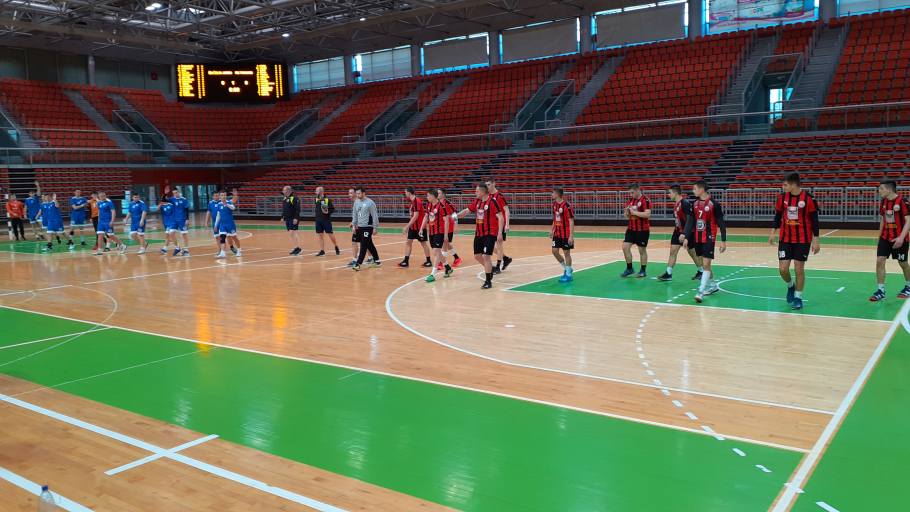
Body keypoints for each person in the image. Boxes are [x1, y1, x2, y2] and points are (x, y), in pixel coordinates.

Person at [769, 172, 821, 310]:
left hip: (802, 239)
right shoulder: (782, 198)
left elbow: (815, 221)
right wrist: (773, 232)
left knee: (799, 268)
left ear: (793, 185)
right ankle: (790, 285)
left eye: (785, 185)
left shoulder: (808, 198)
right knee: (783, 269)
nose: (783, 187)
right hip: (785, 238)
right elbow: (777, 216)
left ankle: (798, 297)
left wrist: (816, 240)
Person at [683, 180, 727, 303]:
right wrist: (686, 237)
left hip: (709, 237)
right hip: (697, 237)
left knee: (706, 264)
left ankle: (700, 292)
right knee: (704, 264)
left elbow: (721, 223)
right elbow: (690, 222)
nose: (693, 191)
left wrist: (723, 240)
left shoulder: (714, 204)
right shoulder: (695, 204)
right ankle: (713, 285)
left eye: (695, 189)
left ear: (701, 189)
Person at [455, 183, 504, 290]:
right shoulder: (477, 201)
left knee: (486, 256)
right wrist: (455, 216)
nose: (475, 193)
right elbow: (467, 211)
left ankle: (488, 280)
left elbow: (500, 217)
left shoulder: (492, 202)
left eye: (477, 191)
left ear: (483, 192)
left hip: (490, 234)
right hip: (478, 234)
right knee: (477, 256)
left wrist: (500, 233)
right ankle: (490, 269)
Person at [870, 180, 910, 301]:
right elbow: (883, 219)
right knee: (879, 261)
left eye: (881, 189)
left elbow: (908, 221)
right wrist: (879, 237)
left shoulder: (902, 201)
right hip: (885, 238)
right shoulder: (883, 202)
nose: (879, 191)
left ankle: (908, 286)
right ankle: (881, 291)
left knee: (903, 263)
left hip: (900, 238)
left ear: (889, 189)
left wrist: (901, 238)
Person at [658, 185, 703, 282]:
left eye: (670, 193)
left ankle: (701, 271)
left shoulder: (685, 203)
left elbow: (690, 220)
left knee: (692, 252)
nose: (668, 195)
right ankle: (668, 273)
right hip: (677, 231)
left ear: (675, 193)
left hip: (688, 232)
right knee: (673, 251)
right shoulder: (676, 204)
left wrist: (685, 233)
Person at [420, 188, 453, 282]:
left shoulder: (442, 206)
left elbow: (446, 221)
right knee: (436, 252)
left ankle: (433, 274)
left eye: (428, 195)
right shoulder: (429, 205)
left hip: (440, 232)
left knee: (436, 251)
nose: (427, 197)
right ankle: (447, 267)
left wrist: (446, 235)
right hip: (431, 232)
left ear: (433, 196)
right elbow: (426, 217)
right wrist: (421, 228)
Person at [621, 183, 651, 278]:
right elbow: (626, 216)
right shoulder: (630, 200)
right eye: (630, 193)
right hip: (631, 229)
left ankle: (643, 270)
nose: (631, 195)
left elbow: (647, 214)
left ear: (638, 190)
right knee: (625, 247)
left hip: (642, 230)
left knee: (642, 250)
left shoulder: (645, 200)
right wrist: (626, 213)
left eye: (632, 192)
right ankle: (629, 268)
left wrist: (634, 212)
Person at [400, 186, 432, 268]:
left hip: (419, 227)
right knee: (408, 242)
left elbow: (416, 216)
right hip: (413, 227)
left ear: (409, 193)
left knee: (423, 243)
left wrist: (407, 227)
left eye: (405, 192)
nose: (405, 194)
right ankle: (406, 261)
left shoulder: (416, 201)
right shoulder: (412, 201)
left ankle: (428, 261)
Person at [486, 179, 512, 274]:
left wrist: (507, 224)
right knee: (489, 245)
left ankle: (498, 266)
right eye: (486, 185)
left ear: (494, 184)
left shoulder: (499, 196)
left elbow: (507, 210)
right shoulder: (488, 196)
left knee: (499, 245)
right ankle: (505, 258)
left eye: (489, 184)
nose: (487, 186)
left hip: (500, 225)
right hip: (491, 225)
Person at [352, 186, 381, 271]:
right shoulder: (356, 202)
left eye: (359, 193)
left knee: (363, 245)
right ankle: (377, 261)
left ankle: (358, 264)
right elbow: (354, 214)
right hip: (359, 227)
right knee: (369, 244)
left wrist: (375, 227)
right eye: (356, 193)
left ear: (364, 193)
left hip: (368, 227)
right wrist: (354, 225)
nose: (357, 195)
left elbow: (375, 216)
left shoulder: (370, 203)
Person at [551, 187, 575, 283]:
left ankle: (568, 275)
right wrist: (552, 230)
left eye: (553, 193)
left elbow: (571, 220)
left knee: (566, 253)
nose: (551, 194)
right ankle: (567, 268)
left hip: (566, 234)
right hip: (557, 233)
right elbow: (555, 218)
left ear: (557, 194)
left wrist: (571, 236)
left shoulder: (567, 205)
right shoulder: (554, 204)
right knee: (554, 251)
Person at [94, 191, 126, 255]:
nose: (103, 197)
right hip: (101, 222)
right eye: (101, 196)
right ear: (99, 197)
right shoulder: (99, 203)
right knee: (100, 235)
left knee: (110, 235)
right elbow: (99, 211)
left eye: (104, 195)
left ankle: (122, 245)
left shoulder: (109, 202)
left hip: (108, 221)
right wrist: (98, 219)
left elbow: (113, 212)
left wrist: (112, 221)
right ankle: (99, 250)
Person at [437, 188, 462, 268]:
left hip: (448, 226)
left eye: (439, 193)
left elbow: (454, 214)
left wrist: (456, 225)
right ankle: (457, 258)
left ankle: (441, 263)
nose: (437, 194)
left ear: (443, 194)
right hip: (442, 226)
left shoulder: (447, 203)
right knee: (447, 244)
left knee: (444, 244)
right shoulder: (438, 203)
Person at [215, 190, 242, 258]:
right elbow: (218, 215)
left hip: (230, 224)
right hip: (222, 224)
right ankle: (223, 253)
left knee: (234, 237)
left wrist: (226, 204)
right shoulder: (219, 204)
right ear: (220, 196)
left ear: (226, 196)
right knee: (222, 238)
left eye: (224, 195)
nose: (223, 196)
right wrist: (216, 225)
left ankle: (239, 250)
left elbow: (233, 208)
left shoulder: (229, 202)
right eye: (222, 195)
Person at [314, 186, 340, 256]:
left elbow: (332, 209)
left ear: (321, 192)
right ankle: (322, 250)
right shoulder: (316, 199)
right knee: (320, 235)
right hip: (318, 220)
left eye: (316, 190)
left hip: (326, 220)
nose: (315, 192)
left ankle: (336, 246)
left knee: (330, 234)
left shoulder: (327, 200)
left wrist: (328, 212)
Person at [169, 188, 191, 256]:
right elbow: (163, 200)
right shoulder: (172, 199)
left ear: (179, 192)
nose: (175, 194)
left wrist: (187, 219)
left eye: (176, 193)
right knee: (171, 233)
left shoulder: (184, 199)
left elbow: (187, 209)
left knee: (184, 234)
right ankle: (177, 247)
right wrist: (165, 193)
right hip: (174, 220)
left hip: (182, 219)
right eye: (174, 193)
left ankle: (186, 250)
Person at [282, 186, 302, 255]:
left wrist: (296, 218)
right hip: (287, 218)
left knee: (292, 233)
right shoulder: (285, 198)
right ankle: (296, 248)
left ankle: (298, 248)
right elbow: (284, 209)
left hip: (293, 218)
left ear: (288, 191)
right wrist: (282, 216)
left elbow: (298, 209)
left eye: (284, 190)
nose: (283, 191)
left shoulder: (294, 198)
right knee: (292, 234)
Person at [347, 188, 361, 267]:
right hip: (360, 225)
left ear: (355, 193)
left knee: (354, 242)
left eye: (351, 193)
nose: (349, 194)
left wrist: (354, 225)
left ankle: (355, 260)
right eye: (349, 193)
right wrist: (352, 222)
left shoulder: (357, 202)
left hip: (359, 226)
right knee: (366, 243)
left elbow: (359, 215)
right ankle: (371, 258)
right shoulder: (357, 202)